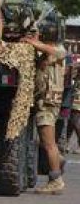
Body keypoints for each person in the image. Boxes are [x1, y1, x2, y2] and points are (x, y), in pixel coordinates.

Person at [23, 24, 67, 194]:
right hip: (43, 102)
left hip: (49, 104)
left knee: (49, 144)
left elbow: (49, 50)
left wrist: (33, 41)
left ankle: (56, 179)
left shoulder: (59, 50)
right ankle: (59, 161)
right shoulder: (47, 51)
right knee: (44, 141)